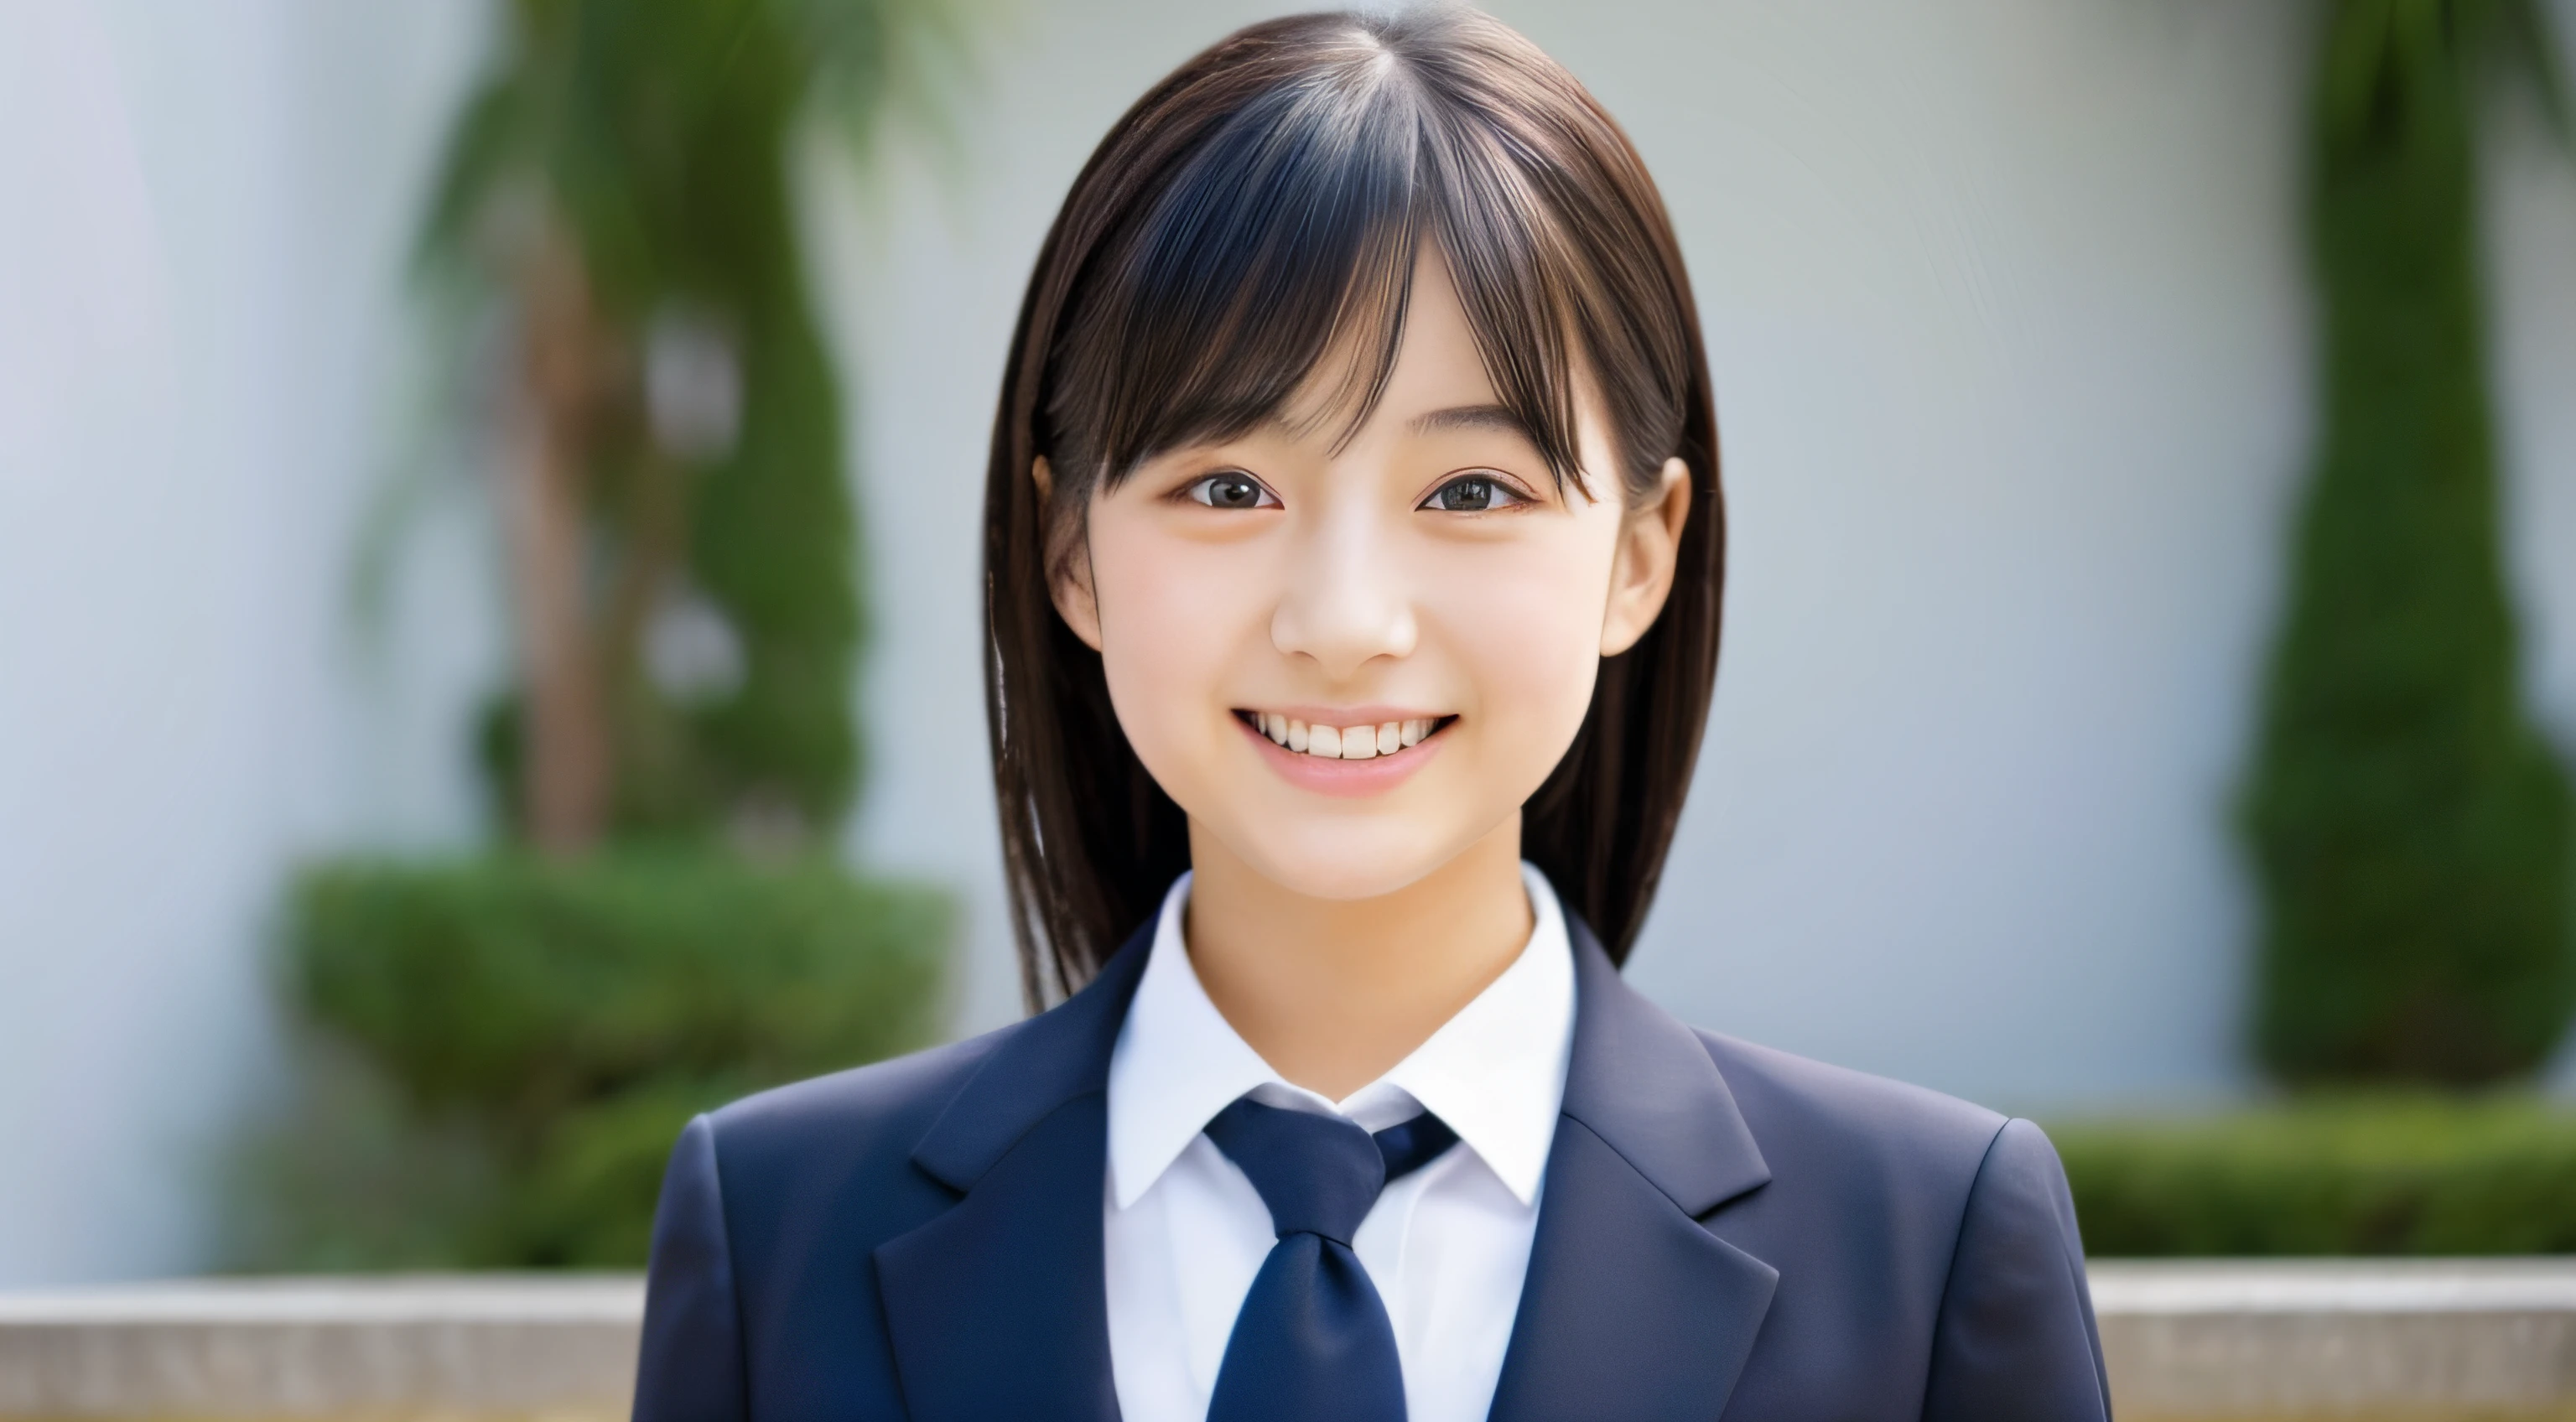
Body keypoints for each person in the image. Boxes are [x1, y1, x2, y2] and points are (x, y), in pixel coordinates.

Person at [631, 9, 2110, 1420]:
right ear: (1070, 548)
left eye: (1470, 491)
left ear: (1641, 554)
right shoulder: (780, 1237)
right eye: (1229, 488)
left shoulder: (1925, 1254)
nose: (1344, 622)